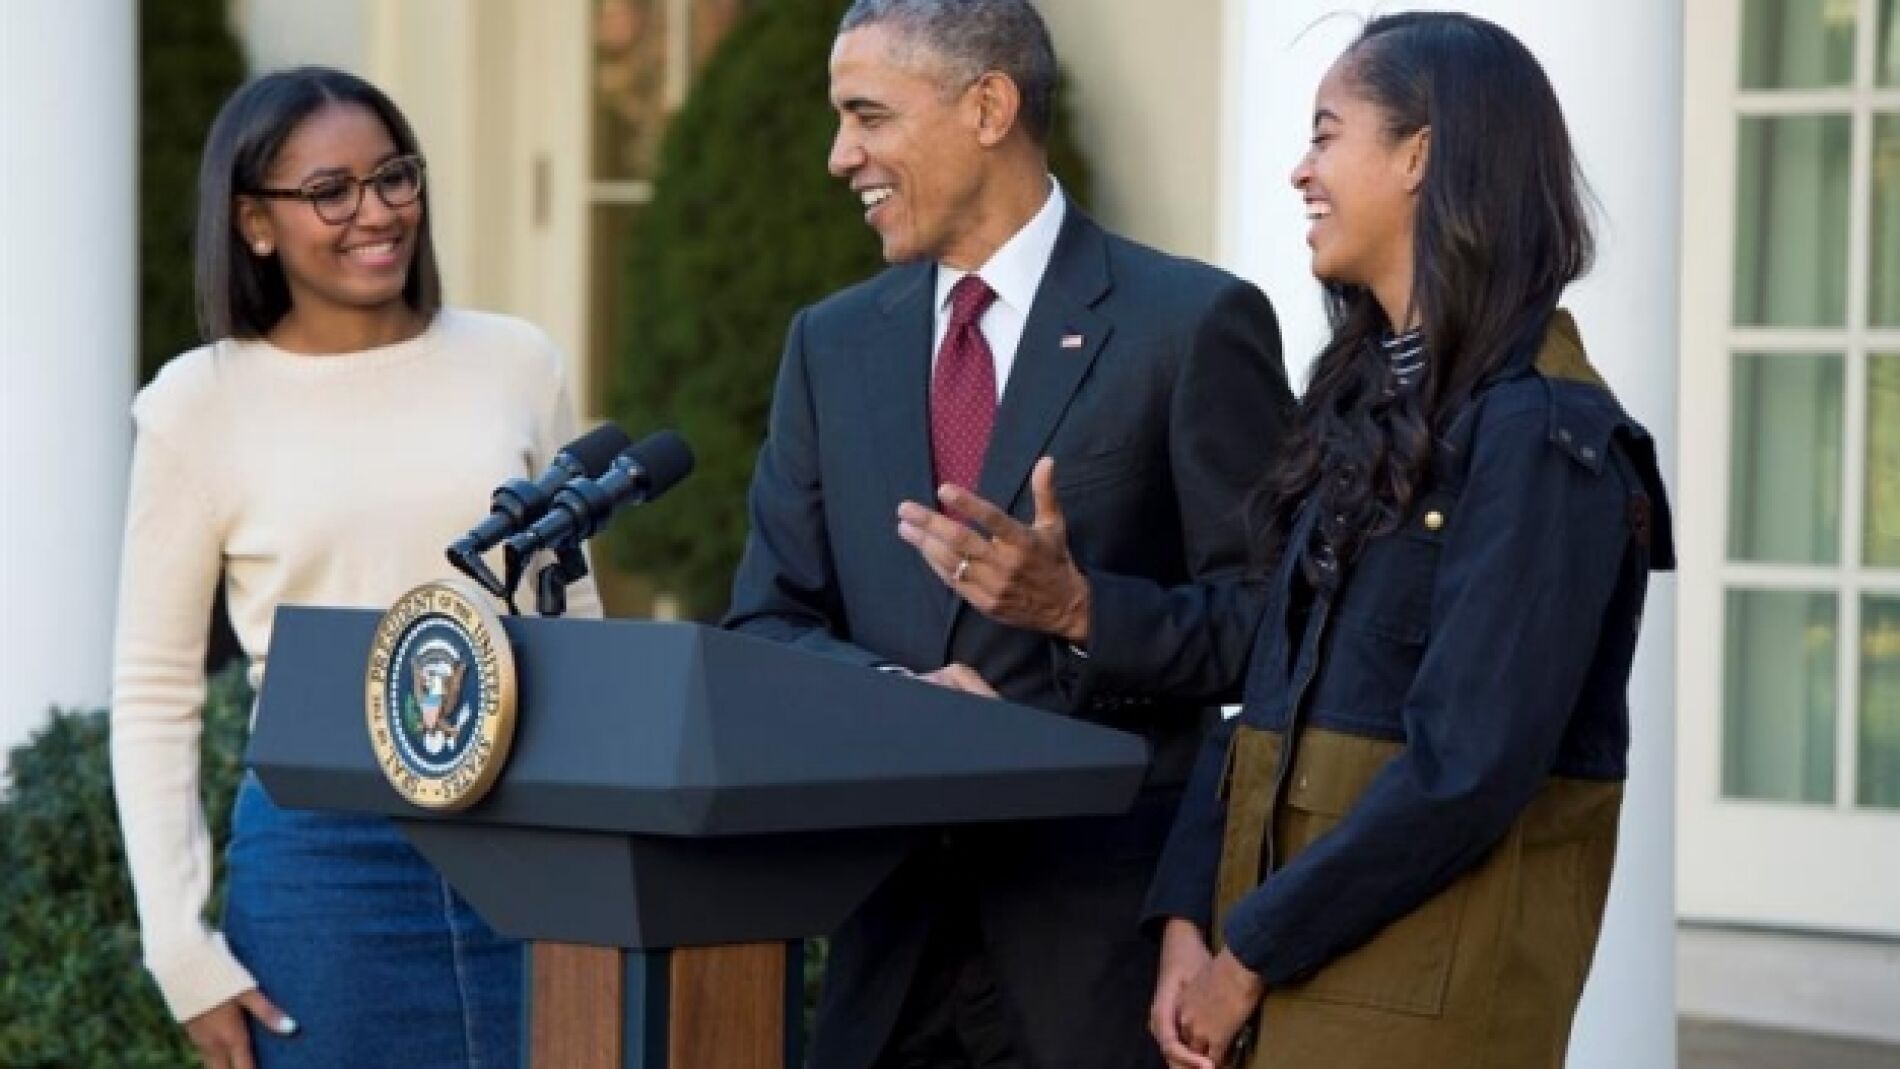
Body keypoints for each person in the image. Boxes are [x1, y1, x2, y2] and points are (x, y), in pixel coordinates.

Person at [895, 12, 1676, 1069]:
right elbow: (1263, 693)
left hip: (1412, 1016)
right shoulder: (1360, 410)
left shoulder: (1545, 436)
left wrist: (1243, 956)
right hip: (1282, 988)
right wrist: (1184, 920)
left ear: (1421, 155)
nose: (1298, 171)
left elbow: (1466, 770)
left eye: (1325, 135)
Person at [722, 1, 1293, 1065]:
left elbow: (1280, 632)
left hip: (1096, 950)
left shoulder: (1190, 324)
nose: (840, 155)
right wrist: (902, 702)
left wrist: (1081, 612)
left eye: (868, 116)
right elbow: (766, 620)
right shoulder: (830, 345)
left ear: (988, 105)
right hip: (884, 944)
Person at [110, 66, 599, 1069]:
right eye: (330, 191)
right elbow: (155, 691)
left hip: (528, 834)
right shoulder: (195, 404)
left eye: (394, 178)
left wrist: (606, 841)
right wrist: (179, 946)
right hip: (321, 865)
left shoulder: (518, 363)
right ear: (254, 222)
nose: (375, 213)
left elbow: (574, 611)